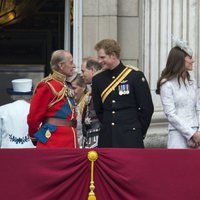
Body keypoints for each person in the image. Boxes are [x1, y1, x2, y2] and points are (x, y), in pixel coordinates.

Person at [92, 39, 154, 148]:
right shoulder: (97, 79)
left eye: (102, 57)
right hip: (108, 137)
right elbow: (99, 110)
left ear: (113, 55)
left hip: (130, 137)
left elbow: (146, 108)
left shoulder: (134, 76)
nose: (99, 61)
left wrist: (137, 131)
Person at [27, 50, 78, 148]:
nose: (74, 66)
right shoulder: (47, 86)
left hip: (71, 138)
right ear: (61, 65)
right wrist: (34, 136)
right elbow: (34, 117)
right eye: (71, 62)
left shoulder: (66, 85)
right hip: (53, 140)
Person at [156, 38, 200, 148]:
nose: (192, 60)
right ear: (180, 60)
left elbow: (198, 107)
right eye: (189, 58)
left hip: (197, 135)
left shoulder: (191, 82)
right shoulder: (167, 84)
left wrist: (198, 132)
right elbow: (170, 114)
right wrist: (191, 134)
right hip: (177, 136)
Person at [0, 78, 35, 148]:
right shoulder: (34, 109)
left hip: (6, 151)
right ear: (30, 95)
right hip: (30, 151)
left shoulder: (2, 109)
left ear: (13, 94)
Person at [81, 58, 102, 148]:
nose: (81, 75)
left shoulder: (102, 90)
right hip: (89, 138)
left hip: (99, 139)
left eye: (83, 71)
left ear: (92, 70)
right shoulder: (91, 92)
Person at [71, 74, 88, 147]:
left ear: (83, 87)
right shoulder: (72, 104)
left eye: (74, 88)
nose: (71, 91)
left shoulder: (88, 103)